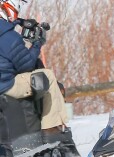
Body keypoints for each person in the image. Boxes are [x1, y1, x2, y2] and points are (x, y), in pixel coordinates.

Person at [0, 0, 69, 144]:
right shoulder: (9, 37)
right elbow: (26, 65)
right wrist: (37, 43)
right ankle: (52, 132)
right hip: (7, 86)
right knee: (47, 76)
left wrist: (22, 22)